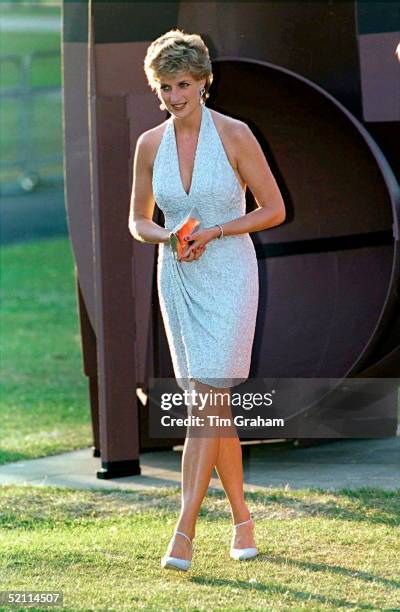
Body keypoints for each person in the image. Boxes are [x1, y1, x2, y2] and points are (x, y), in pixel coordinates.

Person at [129, 29, 286, 571]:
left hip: (230, 274)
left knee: (206, 404)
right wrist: (168, 236)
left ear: (204, 82)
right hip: (177, 276)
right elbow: (137, 219)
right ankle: (242, 518)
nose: (175, 97)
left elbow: (273, 209)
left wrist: (215, 231)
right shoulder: (149, 144)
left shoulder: (236, 135)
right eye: (166, 87)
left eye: (184, 85)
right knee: (211, 407)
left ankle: (184, 531)